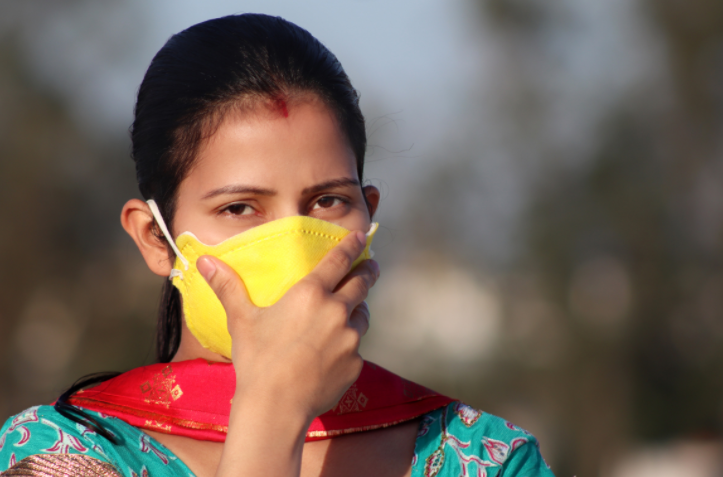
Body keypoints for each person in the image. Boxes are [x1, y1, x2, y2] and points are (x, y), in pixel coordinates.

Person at [0, 14, 555, 477]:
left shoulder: (484, 458)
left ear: (369, 218)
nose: (293, 249)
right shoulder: (63, 455)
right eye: (239, 208)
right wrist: (273, 409)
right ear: (155, 240)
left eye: (328, 202)